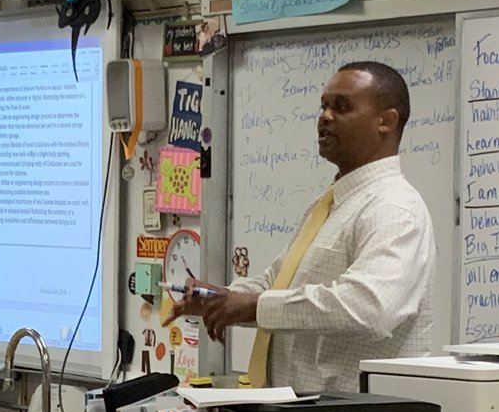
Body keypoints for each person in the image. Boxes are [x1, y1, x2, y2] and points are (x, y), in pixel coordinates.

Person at [163, 61, 435, 392]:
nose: (325, 117)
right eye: (324, 105)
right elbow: (277, 283)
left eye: (342, 107)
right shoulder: (334, 203)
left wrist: (253, 305)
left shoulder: (392, 207)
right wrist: (224, 299)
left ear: (386, 121)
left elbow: (370, 307)